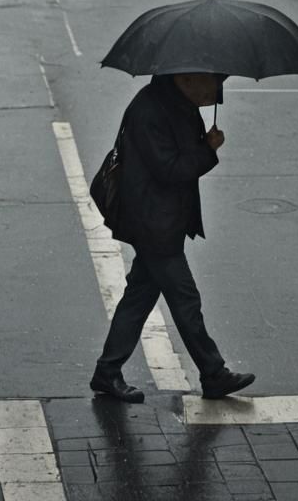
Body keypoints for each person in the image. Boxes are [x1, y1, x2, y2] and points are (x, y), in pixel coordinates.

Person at [89, 72, 255, 403]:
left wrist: (203, 146)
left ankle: (107, 373)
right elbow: (169, 169)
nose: (217, 90)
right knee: (185, 299)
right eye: (212, 81)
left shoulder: (176, 104)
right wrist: (207, 150)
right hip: (152, 223)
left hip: (161, 218)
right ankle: (213, 372)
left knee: (138, 298)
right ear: (186, 77)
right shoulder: (150, 111)